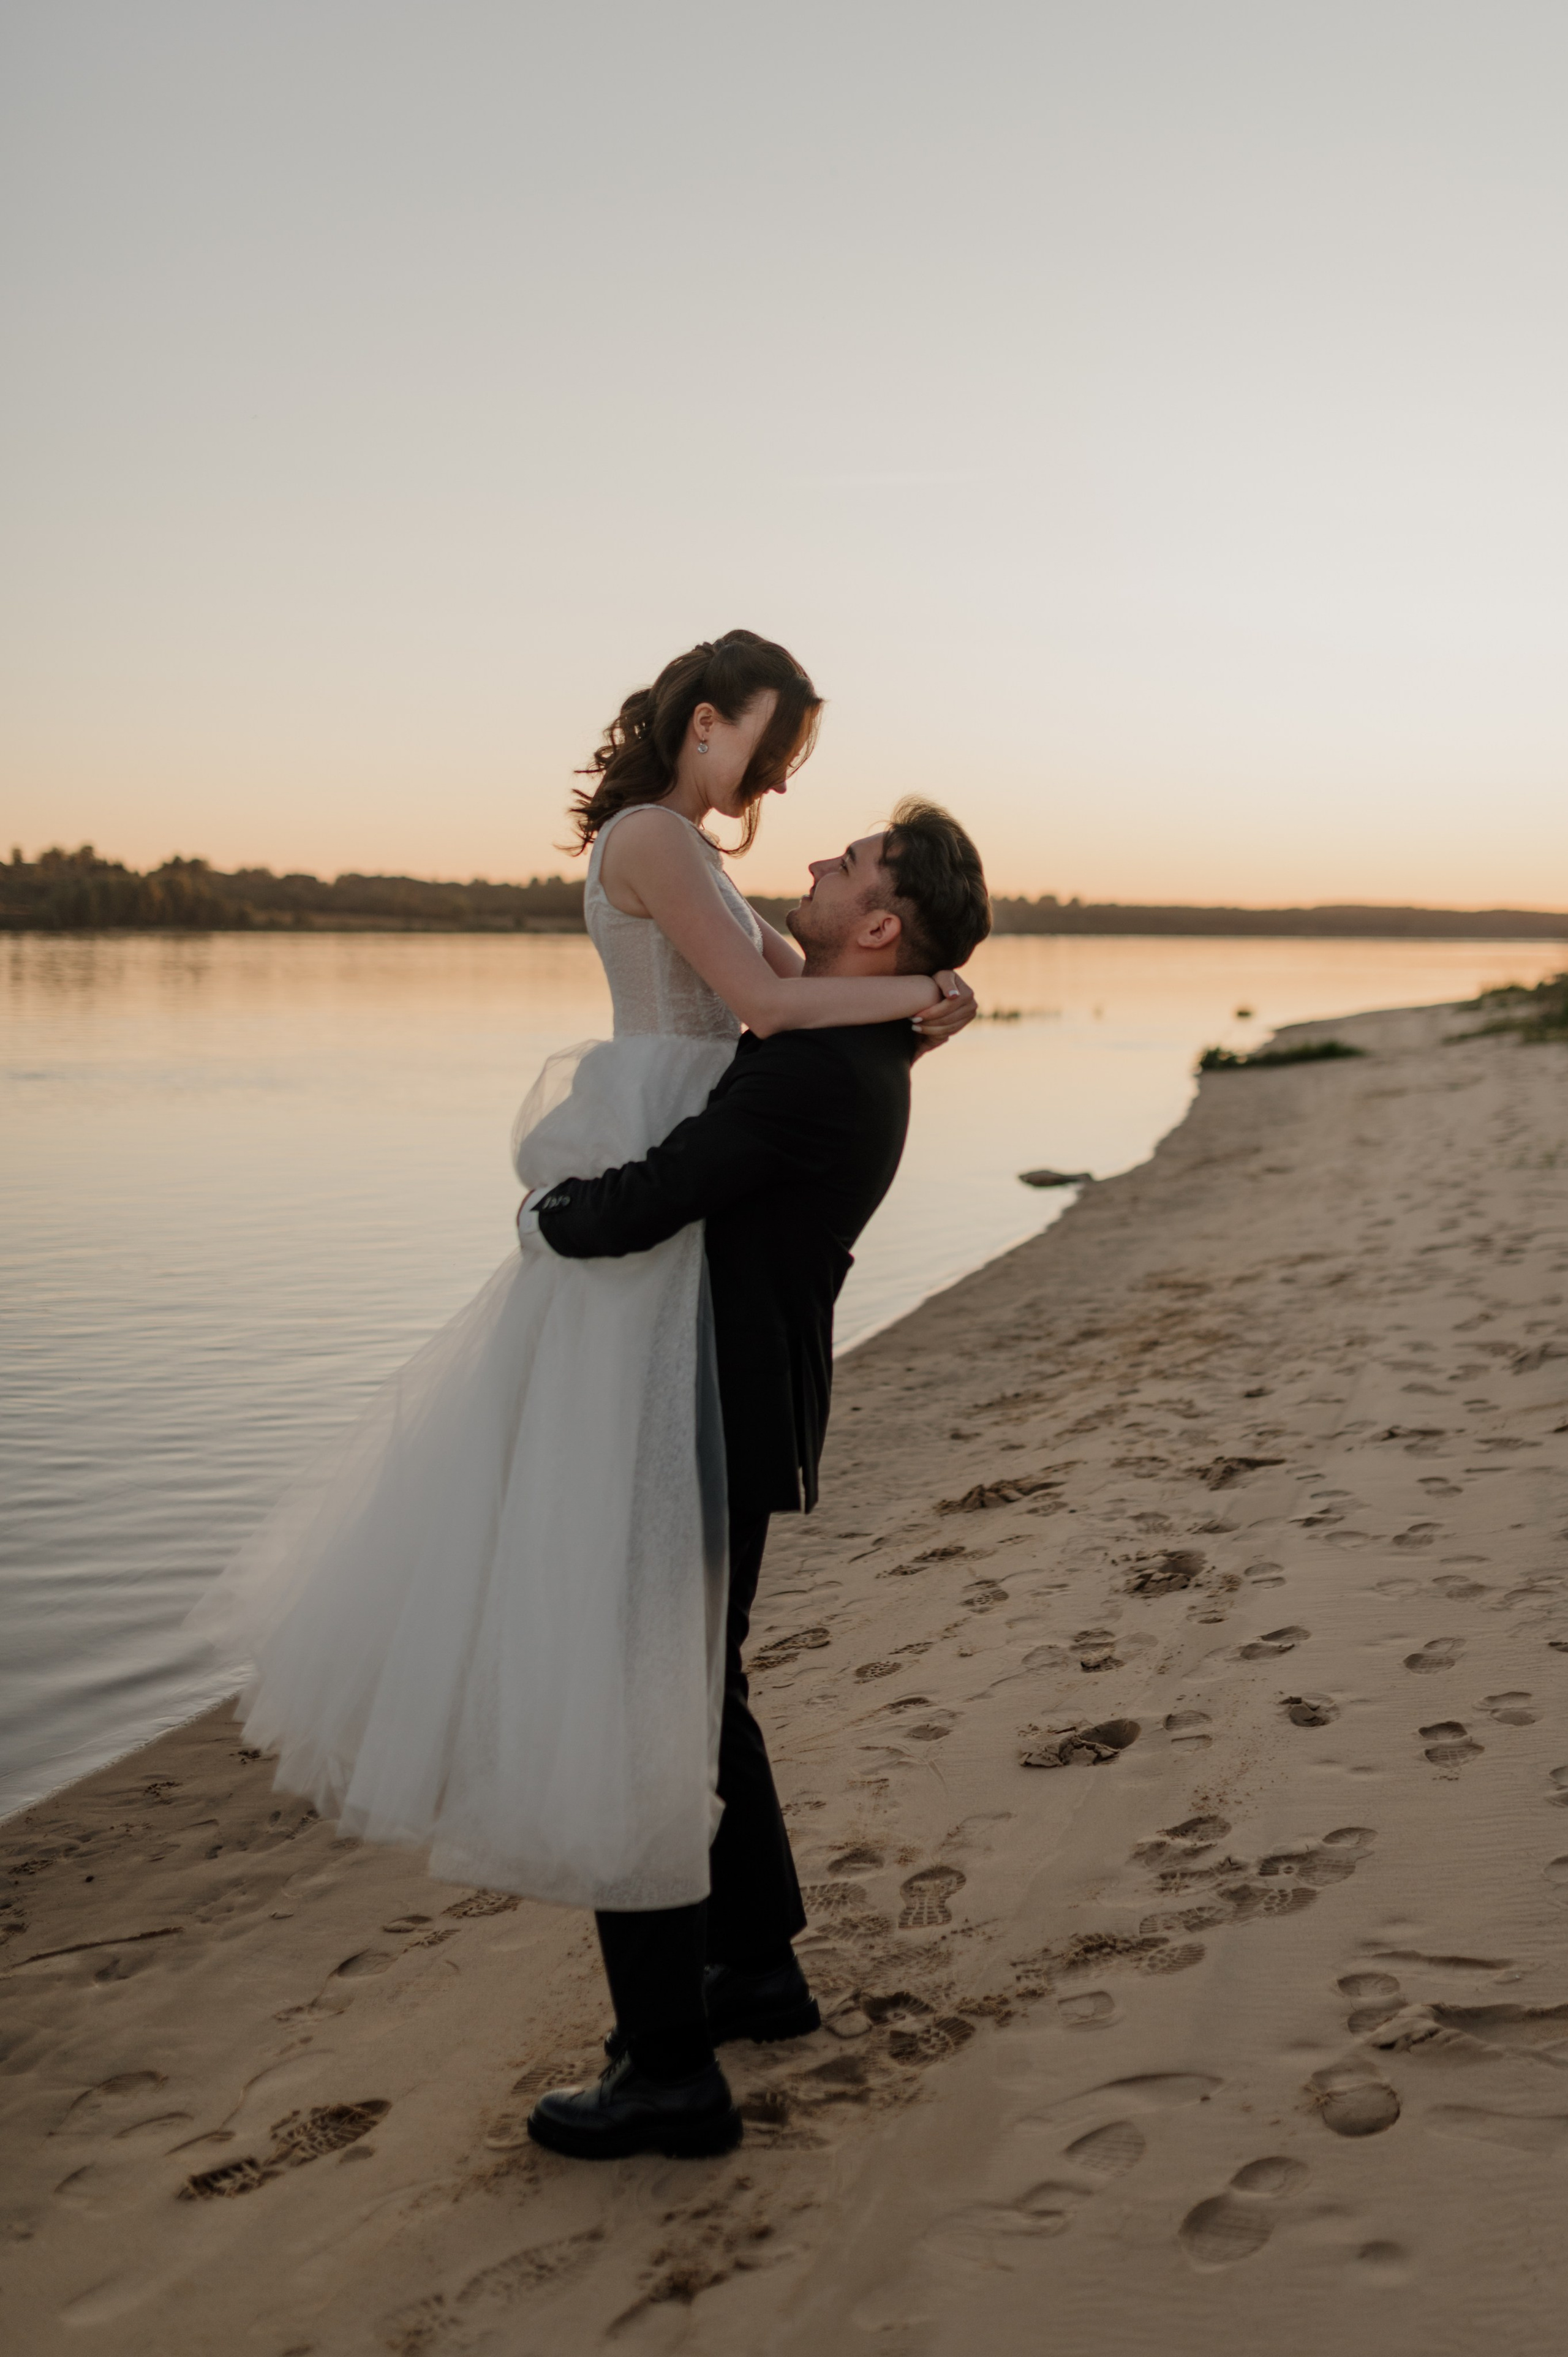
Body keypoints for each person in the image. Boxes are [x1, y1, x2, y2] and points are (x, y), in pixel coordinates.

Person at [189, 633, 976, 1940]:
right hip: (670, 1154)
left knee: (679, 1657)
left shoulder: (700, 860)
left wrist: (920, 1005)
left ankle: (725, 1962)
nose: (780, 783)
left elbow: (806, 1005)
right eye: (771, 746)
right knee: (669, 1642)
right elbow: (771, 1007)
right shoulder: (653, 840)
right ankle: (732, 1956)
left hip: (701, 1161)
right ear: (707, 721)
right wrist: (925, 991)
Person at [517, 798, 992, 2161]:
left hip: (703, 1412)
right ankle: (756, 1968)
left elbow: (652, 1196)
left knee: (646, 1707)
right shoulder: (859, 1048)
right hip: (744, 1404)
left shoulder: (816, 1071)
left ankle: (668, 2070)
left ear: (879, 926)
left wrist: (547, 1213)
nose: (818, 862)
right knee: (699, 1684)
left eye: (850, 864)